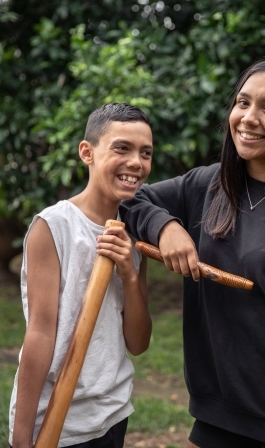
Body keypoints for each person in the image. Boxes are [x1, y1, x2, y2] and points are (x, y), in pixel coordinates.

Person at [120, 60, 265, 448]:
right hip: (217, 413)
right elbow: (128, 200)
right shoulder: (208, 186)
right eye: (242, 103)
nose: (249, 118)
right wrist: (166, 227)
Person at [9, 103, 153, 448]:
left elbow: (138, 342)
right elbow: (41, 333)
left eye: (145, 153)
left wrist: (129, 274)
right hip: (59, 421)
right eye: (122, 148)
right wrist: (20, 436)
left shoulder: (136, 234)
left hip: (112, 411)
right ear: (87, 152)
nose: (136, 162)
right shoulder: (54, 226)